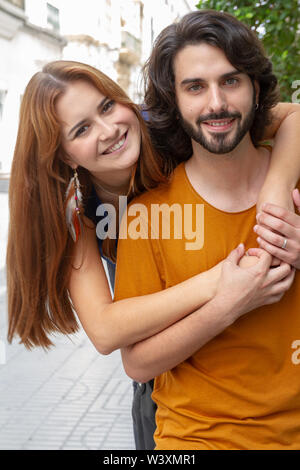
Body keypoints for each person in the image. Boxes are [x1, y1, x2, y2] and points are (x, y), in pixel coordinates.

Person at [5, 55, 300, 449]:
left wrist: (274, 190)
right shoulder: (77, 210)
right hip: (174, 364)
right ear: (65, 155)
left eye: (108, 105)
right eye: (82, 129)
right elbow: (107, 330)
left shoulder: (171, 123)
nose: (109, 130)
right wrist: (221, 286)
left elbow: (293, 116)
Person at [114, 10, 300, 450]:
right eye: (195, 87)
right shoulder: (147, 214)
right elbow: (138, 364)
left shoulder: (293, 182)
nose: (216, 103)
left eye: (231, 80)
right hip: (198, 439)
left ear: (256, 89)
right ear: (173, 101)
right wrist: (228, 305)